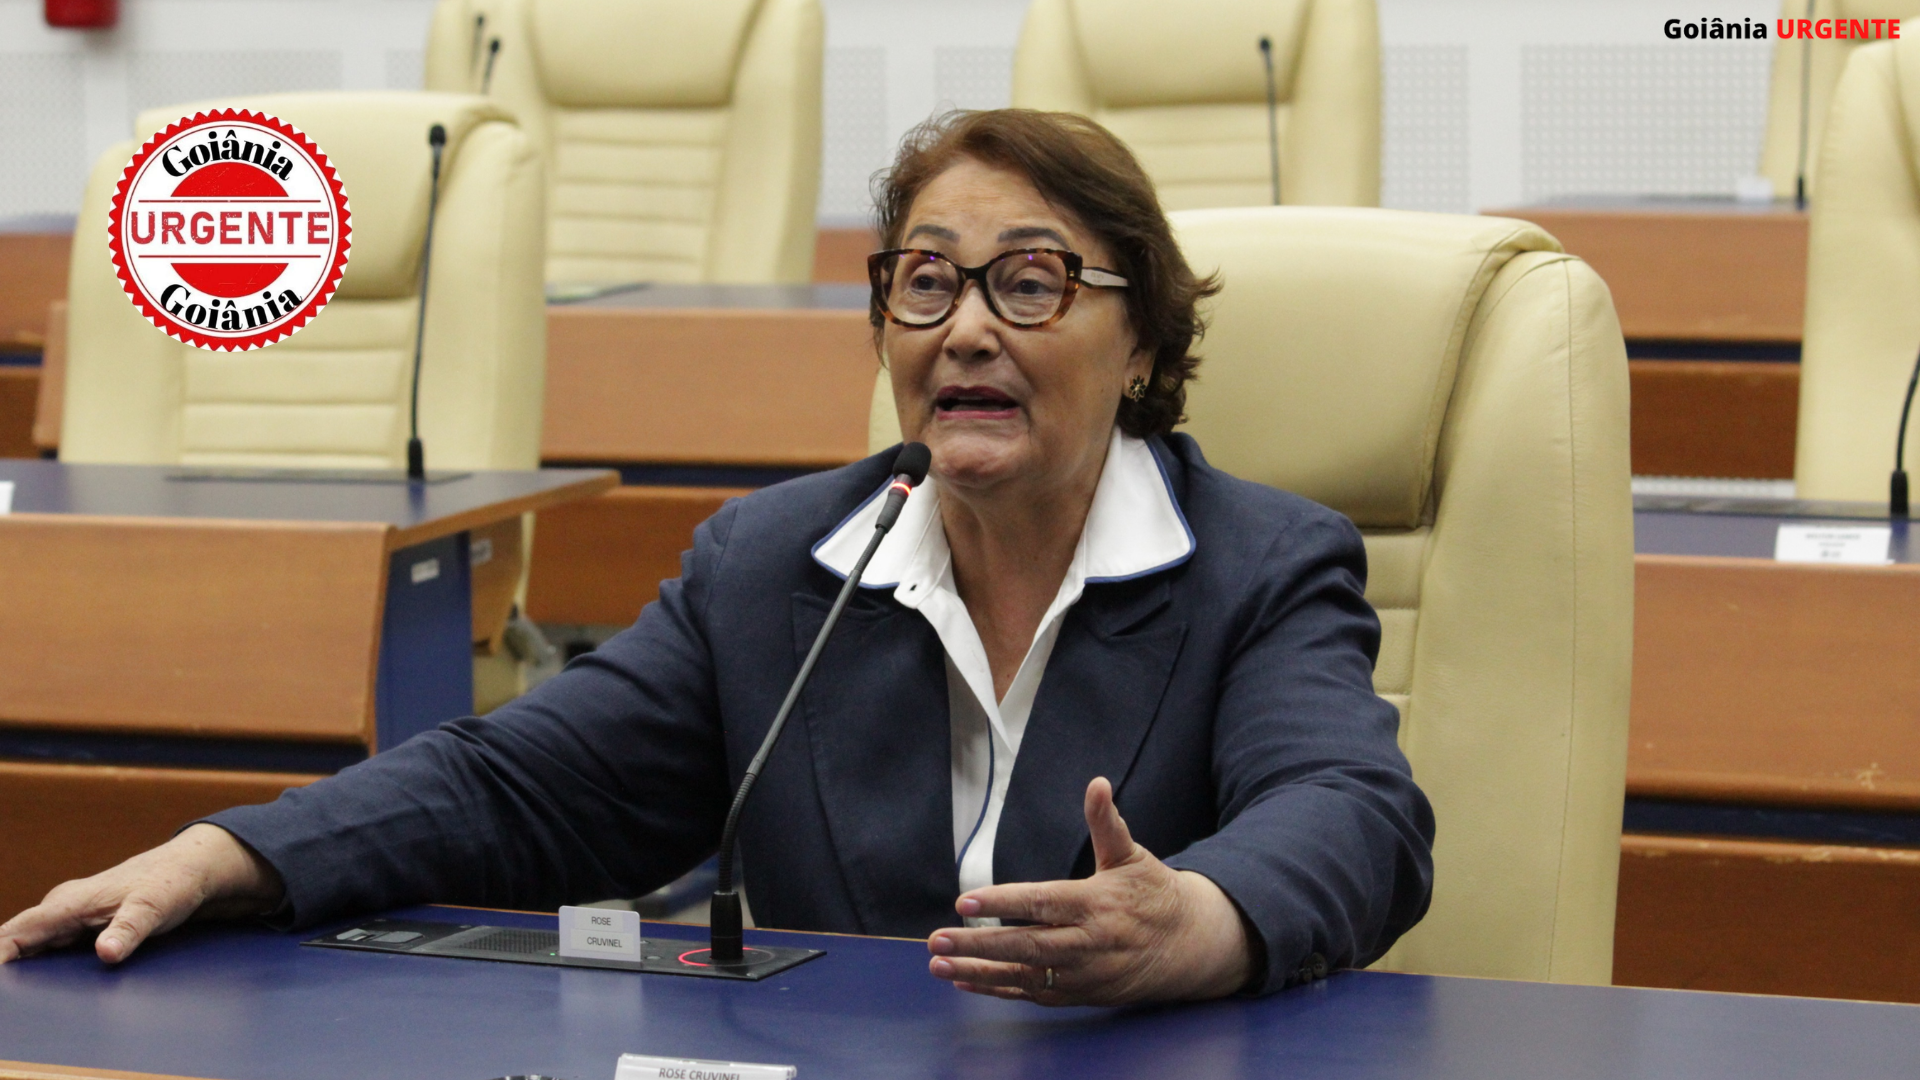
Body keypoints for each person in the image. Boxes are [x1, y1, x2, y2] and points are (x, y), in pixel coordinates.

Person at [0, 109, 1434, 1005]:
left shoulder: (1260, 563)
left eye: (1030, 283)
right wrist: (229, 852)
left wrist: (1197, 922)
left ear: (1143, 346)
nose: (965, 328)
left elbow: (1353, 812)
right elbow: (521, 786)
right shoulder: (776, 563)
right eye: (925, 282)